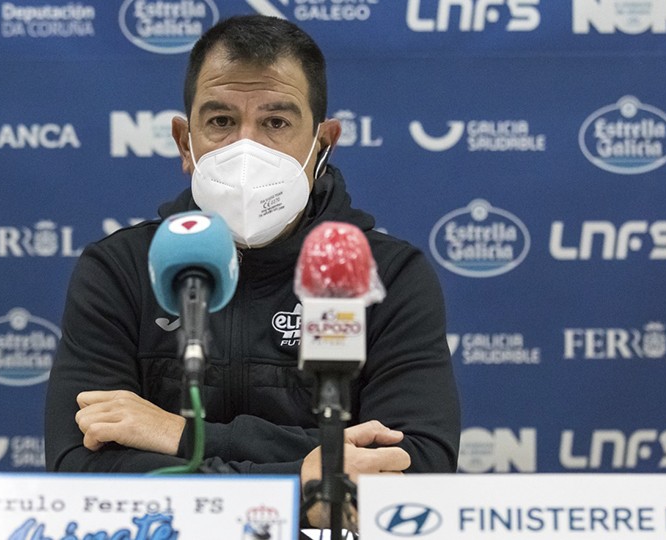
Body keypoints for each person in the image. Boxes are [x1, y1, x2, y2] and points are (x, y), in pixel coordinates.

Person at [44, 14, 460, 524]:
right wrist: (300, 486)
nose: (247, 149)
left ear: (322, 145)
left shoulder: (387, 276)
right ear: (184, 142)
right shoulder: (120, 269)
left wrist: (180, 435)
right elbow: (79, 469)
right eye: (220, 121)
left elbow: (417, 467)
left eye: (276, 123)